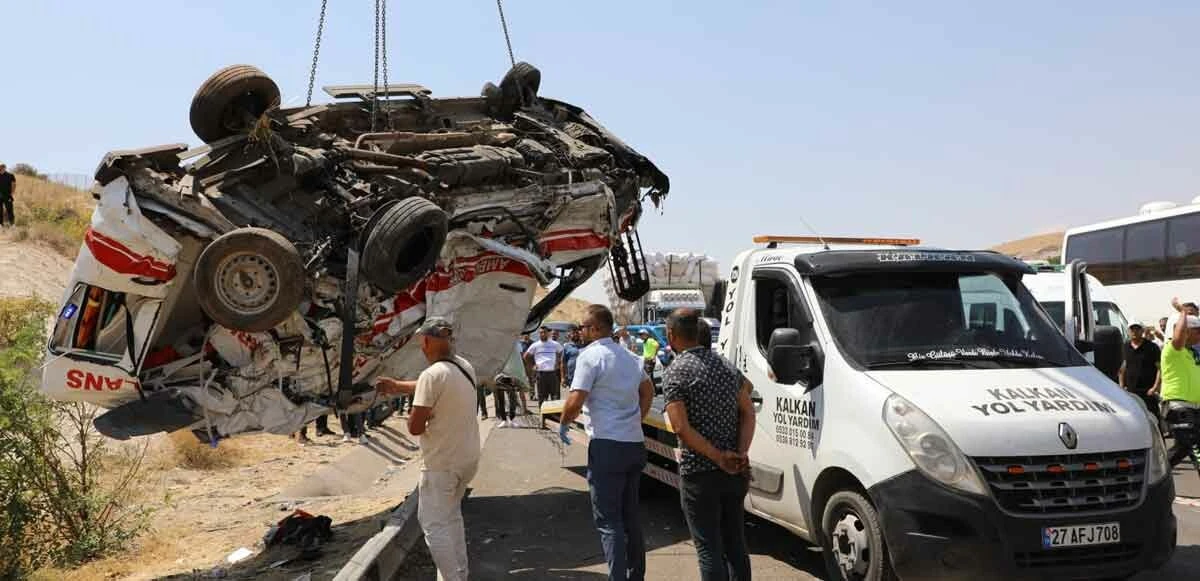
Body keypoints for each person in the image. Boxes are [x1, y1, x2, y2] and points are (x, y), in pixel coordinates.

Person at [374, 318, 481, 581]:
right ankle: (459, 574)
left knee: (433, 526)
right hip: (466, 459)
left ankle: (452, 577)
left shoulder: (431, 375)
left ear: (429, 341)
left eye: (423, 340)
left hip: (441, 464)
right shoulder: (463, 366)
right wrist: (398, 387)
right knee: (452, 517)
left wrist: (415, 412)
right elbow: (433, 385)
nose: (421, 345)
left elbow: (415, 427)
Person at [560, 305, 654, 581]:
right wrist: (638, 418)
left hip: (607, 445)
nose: (581, 332)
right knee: (630, 517)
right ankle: (636, 575)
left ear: (596, 328)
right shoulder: (630, 356)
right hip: (633, 444)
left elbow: (575, 399)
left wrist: (565, 422)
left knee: (608, 520)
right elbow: (647, 391)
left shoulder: (590, 357)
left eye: (584, 327)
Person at [661, 309, 754, 581]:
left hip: (700, 473)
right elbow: (748, 412)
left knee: (708, 547)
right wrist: (740, 453)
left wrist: (717, 456)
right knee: (735, 542)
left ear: (672, 335)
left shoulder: (675, 371)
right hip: (734, 472)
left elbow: (680, 427)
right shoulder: (726, 366)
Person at [1159, 298, 1200, 467]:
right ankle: (1156, 476)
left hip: (1195, 407)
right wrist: (1182, 312)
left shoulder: (1192, 353)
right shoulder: (1172, 349)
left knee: (1187, 447)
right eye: (1197, 330)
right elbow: (1178, 337)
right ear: (1185, 332)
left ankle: (1158, 474)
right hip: (1179, 406)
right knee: (1190, 445)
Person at [1119, 323, 1161, 422]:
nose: (1134, 332)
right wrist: (1121, 386)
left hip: (1148, 393)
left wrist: (1154, 388)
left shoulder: (1152, 347)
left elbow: (1160, 368)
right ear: (1128, 331)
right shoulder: (1124, 347)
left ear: (1142, 331)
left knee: (1153, 420)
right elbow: (1122, 369)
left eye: (1137, 329)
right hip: (1130, 392)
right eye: (1132, 329)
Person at [524, 326, 564, 413]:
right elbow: (526, 356)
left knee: (555, 396)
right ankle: (543, 416)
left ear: (548, 333)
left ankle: (556, 416)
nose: (542, 334)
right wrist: (533, 366)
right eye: (541, 332)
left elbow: (561, 352)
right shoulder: (535, 345)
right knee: (542, 397)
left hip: (553, 373)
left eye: (544, 332)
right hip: (541, 374)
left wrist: (557, 362)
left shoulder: (554, 344)